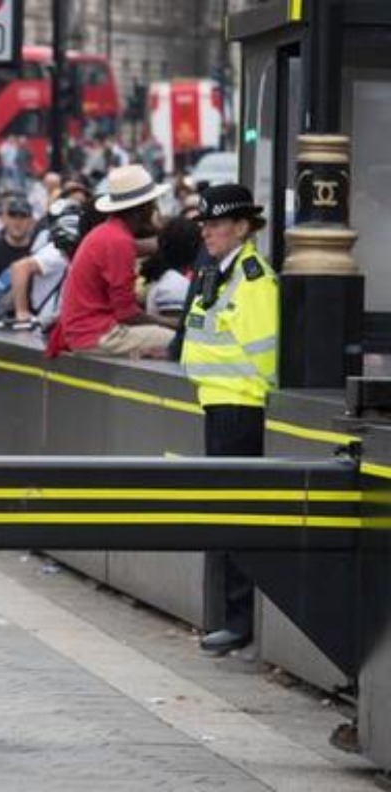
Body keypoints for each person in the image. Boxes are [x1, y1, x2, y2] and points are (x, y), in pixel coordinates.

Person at [180, 184, 278, 657]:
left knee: (238, 515)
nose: (207, 231)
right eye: (204, 224)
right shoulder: (219, 273)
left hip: (241, 409)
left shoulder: (254, 280)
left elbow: (265, 358)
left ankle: (239, 622)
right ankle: (229, 618)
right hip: (219, 405)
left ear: (242, 227)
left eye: (215, 224)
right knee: (224, 513)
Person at [45, 164, 178, 359]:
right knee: (178, 341)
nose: (155, 208)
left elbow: (141, 246)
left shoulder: (109, 232)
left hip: (82, 331)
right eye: (152, 203)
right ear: (143, 208)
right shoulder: (118, 241)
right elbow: (127, 314)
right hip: (96, 335)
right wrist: (172, 323)